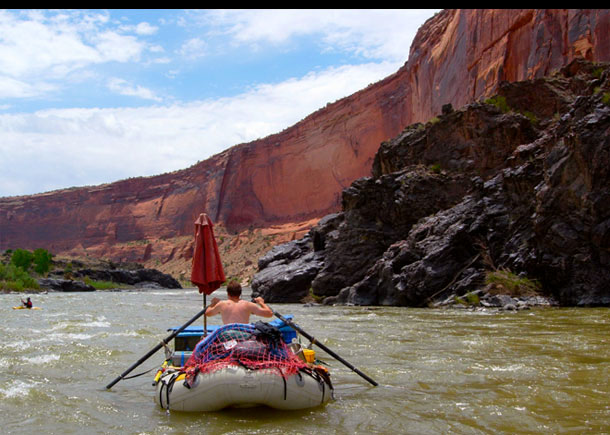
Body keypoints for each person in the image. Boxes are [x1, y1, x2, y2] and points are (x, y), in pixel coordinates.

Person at [206, 281, 273, 324]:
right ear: (240, 293)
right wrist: (261, 303)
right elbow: (269, 314)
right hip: (244, 334)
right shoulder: (248, 305)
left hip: (228, 334)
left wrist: (213, 303)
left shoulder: (222, 304)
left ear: (228, 293)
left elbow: (208, 313)